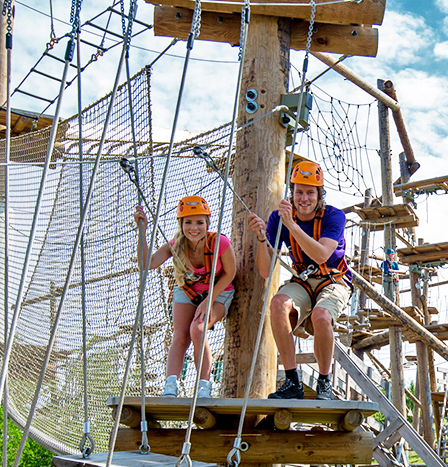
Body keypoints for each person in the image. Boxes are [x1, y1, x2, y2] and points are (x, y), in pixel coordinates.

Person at [248, 159, 351, 400]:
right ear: (292, 193)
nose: (304, 199)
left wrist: (292, 225)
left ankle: (324, 382)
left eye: (309, 193)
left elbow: (322, 254)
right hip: (303, 280)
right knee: (277, 304)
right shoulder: (278, 217)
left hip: (333, 279)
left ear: (319, 195)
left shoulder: (334, 216)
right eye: (299, 192)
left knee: (321, 316)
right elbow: (265, 270)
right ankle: (292, 380)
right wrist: (262, 239)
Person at [135, 194, 237, 398]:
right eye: (188, 222)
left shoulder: (219, 242)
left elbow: (230, 273)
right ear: (181, 224)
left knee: (198, 329)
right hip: (188, 290)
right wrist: (142, 231)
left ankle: (204, 386)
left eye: (199, 222)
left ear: (207, 223)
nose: (194, 228)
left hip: (218, 291)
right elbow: (147, 264)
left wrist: (208, 302)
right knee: (180, 335)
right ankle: (170, 385)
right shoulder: (176, 245)